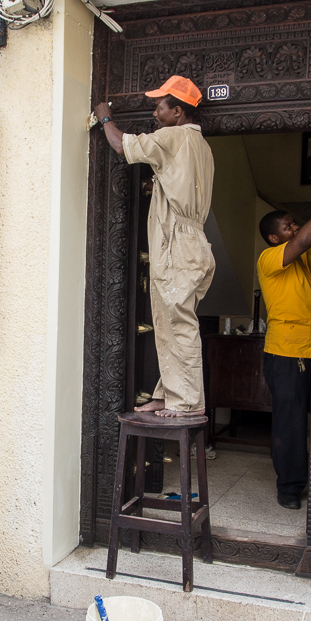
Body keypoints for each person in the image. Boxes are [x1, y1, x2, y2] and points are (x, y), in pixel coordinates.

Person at [92, 75, 215, 418]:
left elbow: (121, 145)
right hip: (189, 242)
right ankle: (169, 393)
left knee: (177, 322)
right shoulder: (199, 146)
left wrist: (105, 117)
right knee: (168, 320)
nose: (155, 112)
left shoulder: (173, 136)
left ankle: (188, 402)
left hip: (179, 241)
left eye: (160, 106)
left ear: (178, 112)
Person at [257, 210, 311, 510]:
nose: (294, 228)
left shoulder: (307, 259)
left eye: (295, 223)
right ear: (274, 238)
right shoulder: (269, 258)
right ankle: (290, 488)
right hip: (286, 352)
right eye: (288, 226)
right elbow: (305, 239)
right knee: (291, 423)